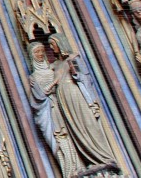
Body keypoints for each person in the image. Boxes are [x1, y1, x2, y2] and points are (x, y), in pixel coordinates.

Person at [28, 37, 118, 177]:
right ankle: (85, 163)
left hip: (74, 95)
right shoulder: (54, 65)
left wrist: (75, 73)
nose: (50, 49)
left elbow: (82, 76)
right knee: (74, 130)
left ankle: (103, 157)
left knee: (87, 123)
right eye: (49, 46)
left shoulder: (71, 58)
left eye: (51, 46)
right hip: (62, 101)